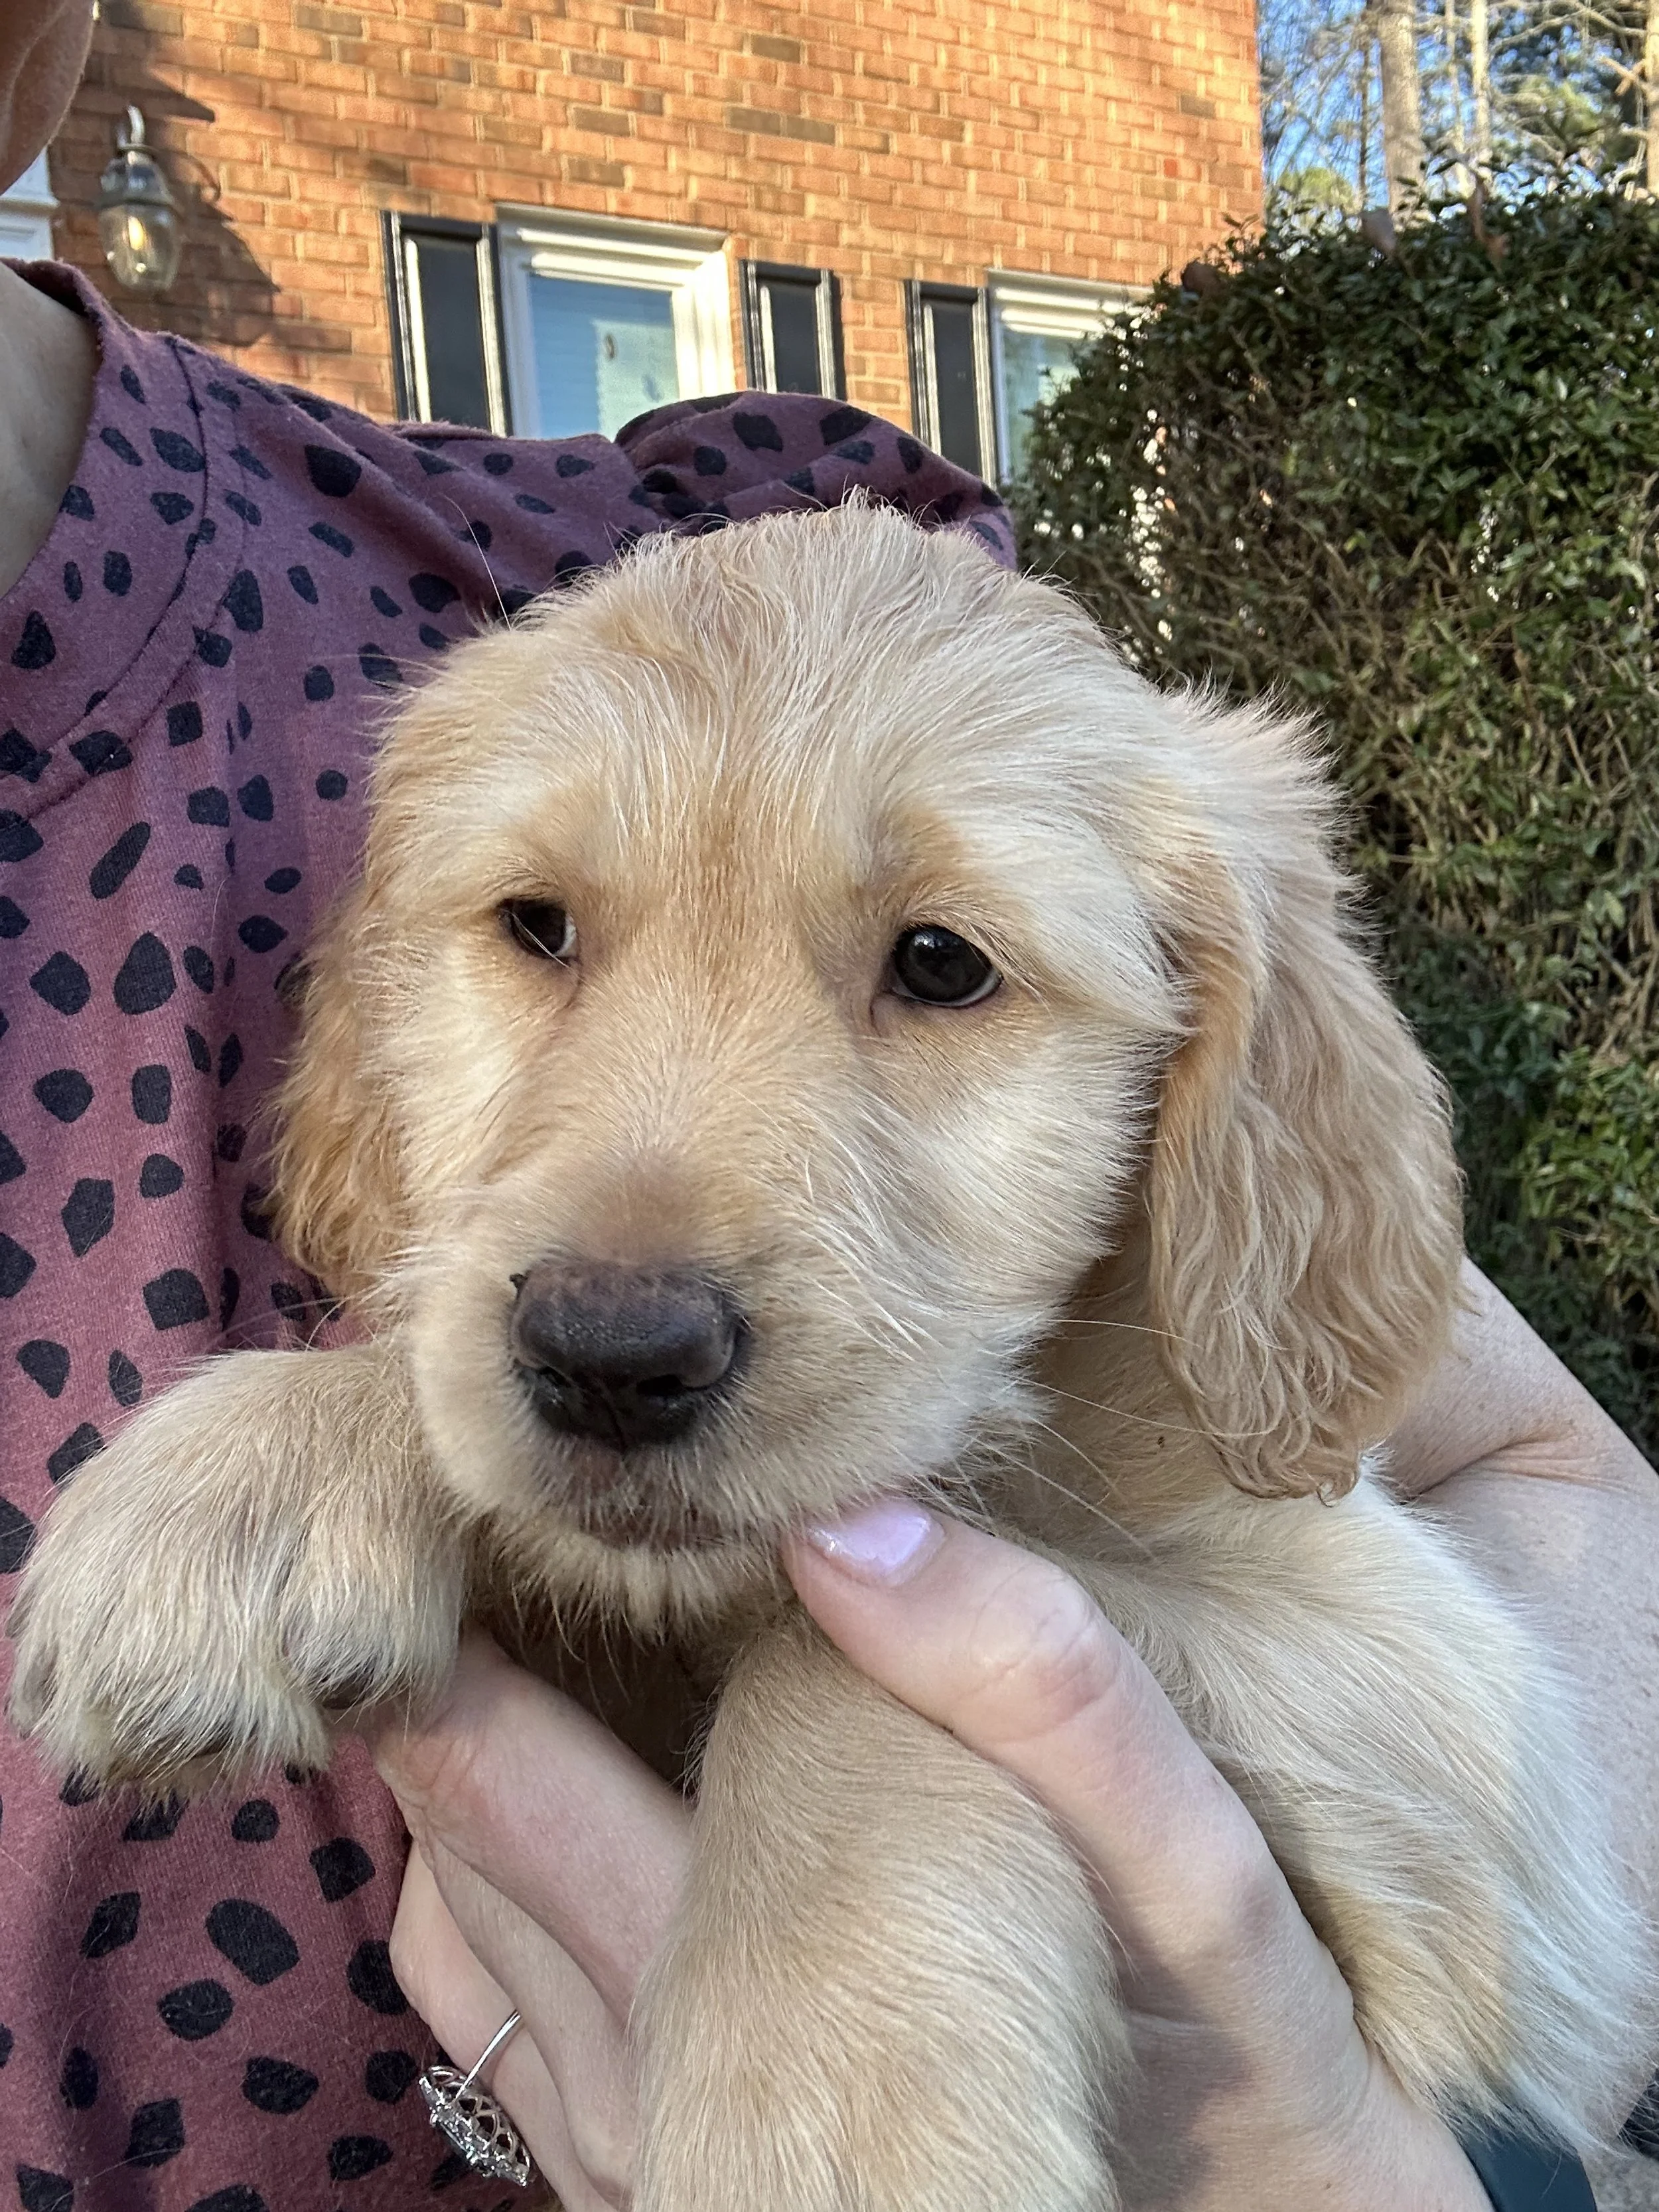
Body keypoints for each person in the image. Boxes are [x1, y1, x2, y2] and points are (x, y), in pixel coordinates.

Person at [1, 7, 1655, 2204]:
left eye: (940, 967)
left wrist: (893, 1752)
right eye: (540, 931)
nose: (625, 1271)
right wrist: (341, 1419)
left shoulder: (713, 568)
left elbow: (1488, 1737)